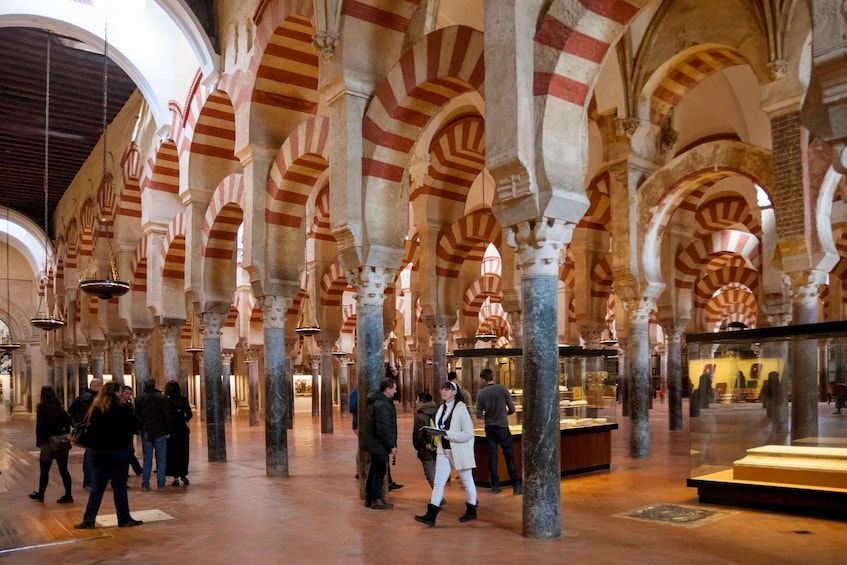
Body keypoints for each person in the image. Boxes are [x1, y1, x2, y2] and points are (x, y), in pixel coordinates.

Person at [74, 381, 144, 529]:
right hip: (120, 451)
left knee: (97, 487)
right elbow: (137, 424)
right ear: (117, 393)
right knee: (119, 486)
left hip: (100, 452)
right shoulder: (122, 407)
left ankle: (89, 519)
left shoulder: (96, 407)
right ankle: (124, 518)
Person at [414, 381, 478, 526]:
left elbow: (468, 434)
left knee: (467, 481)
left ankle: (471, 510)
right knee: (438, 482)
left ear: (454, 392)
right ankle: (431, 514)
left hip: (458, 451)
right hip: (443, 450)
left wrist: (447, 434)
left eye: (447, 389)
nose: (443, 392)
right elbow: (439, 426)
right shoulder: (442, 408)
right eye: (442, 389)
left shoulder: (461, 409)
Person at [475, 367, 521, 495]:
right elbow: (512, 408)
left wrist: (488, 416)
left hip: (490, 427)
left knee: (493, 456)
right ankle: (516, 485)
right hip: (502, 426)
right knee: (509, 456)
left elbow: (478, 414)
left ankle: (495, 486)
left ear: (483, 380)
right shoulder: (502, 389)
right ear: (492, 377)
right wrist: (504, 413)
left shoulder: (481, 393)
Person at [29, 385, 73, 504]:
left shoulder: (42, 408)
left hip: (48, 442)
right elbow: (67, 425)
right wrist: (65, 437)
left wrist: (39, 441)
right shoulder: (60, 407)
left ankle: (41, 493)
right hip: (61, 442)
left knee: (44, 471)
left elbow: (40, 427)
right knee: (64, 469)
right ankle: (68, 495)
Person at [359, 378, 398, 510]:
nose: (395, 391)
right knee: (380, 471)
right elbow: (383, 428)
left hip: (374, 442)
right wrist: (391, 445)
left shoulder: (379, 401)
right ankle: (376, 500)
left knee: (374, 469)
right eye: (394, 388)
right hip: (377, 443)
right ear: (388, 389)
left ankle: (369, 498)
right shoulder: (382, 404)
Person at [134, 378, 172, 491]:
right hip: (159, 431)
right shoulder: (161, 397)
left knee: (147, 459)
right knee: (161, 459)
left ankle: (145, 484)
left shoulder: (139, 398)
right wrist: (168, 430)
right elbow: (166, 415)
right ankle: (161, 484)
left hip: (146, 431)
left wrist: (139, 429)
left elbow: (136, 415)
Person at [69, 377, 102, 490]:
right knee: (90, 455)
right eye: (100, 386)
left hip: (89, 429)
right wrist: (82, 423)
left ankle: (92, 479)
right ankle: (89, 481)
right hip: (91, 430)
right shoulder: (89, 398)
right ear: (96, 386)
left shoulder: (84, 395)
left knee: (91, 454)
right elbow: (89, 415)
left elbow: (71, 410)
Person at [164, 381, 192, 486]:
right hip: (182, 430)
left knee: (172, 454)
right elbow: (189, 414)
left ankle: (175, 477)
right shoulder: (183, 400)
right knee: (183, 453)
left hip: (171, 431)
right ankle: (183, 474)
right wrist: (184, 418)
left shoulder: (166, 401)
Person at [412, 391, 438, 487]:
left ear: (422, 402)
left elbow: (418, 434)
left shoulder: (420, 416)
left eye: (417, 399)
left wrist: (417, 445)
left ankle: (438, 496)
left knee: (430, 471)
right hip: (438, 445)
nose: (415, 402)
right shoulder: (438, 411)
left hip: (425, 447)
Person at [120, 386, 143, 476]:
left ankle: (136, 469)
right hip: (123, 433)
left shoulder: (128, 404)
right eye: (126, 393)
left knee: (129, 451)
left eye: (130, 394)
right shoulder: (121, 405)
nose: (128, 396)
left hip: (128, 432)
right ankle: (137, 469)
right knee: (128, 451)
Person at [350, 384, 359, 480]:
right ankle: (359, 472)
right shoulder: (356, 392)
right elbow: (351, 407)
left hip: (360, 423)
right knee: (362, 447)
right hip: (359, 424)